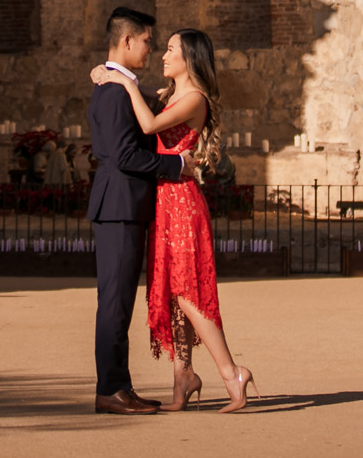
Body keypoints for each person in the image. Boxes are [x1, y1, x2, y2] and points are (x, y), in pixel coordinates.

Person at [91, 27, 258, 413]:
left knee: (187, 291)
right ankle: (183, 377)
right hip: (164, 201)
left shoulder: (194, 98)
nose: (162, 55)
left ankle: (232, 372)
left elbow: (149, 125)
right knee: (172, 292)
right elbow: (146, 102)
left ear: (189, 59)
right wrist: (109, 73)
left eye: (169, 50)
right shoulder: (171, 95)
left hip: (182, 203)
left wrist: (121, 80)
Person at [86, 7, 193, 416]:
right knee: (114, 303)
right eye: (147, 40)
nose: (151, 47)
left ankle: (120, 386)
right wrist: (177, 166)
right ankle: (110, 389)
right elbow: (127, 155)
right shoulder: (114, 91)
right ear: (127, 41)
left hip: (124, 205)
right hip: (119, 206)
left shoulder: (120, 85)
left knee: (120, 302)